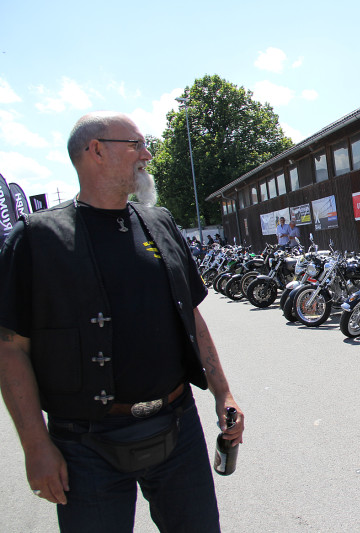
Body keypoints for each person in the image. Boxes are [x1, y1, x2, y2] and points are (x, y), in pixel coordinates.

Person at [0, 111, 245, 533]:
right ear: (96, 151)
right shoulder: (36, 239)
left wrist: (223, 393)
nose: (147, 154)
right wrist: (35, 445)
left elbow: (191, 315)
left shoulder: (160, 222)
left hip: (177, 425)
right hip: (84, 445)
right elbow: (10, 348)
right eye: (136, 145)